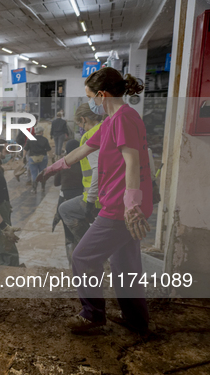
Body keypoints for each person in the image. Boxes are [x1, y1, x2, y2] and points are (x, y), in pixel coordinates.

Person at [37, 67, 152, 335]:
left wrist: (131, 205)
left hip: (121, 208)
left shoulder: (122, 119)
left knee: (83, 257)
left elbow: (132, 161)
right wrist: (52, 168)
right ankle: (136, 319)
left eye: (90, 97)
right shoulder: (113, 120)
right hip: (127, 205)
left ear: (101, 95)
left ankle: (93, 314)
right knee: (125, 262)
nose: (90, 102)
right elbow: (83, 149)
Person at [58, 104, 104, 261]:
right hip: (110, 191)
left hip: (98, 196)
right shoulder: (108, 128)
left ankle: (89, 248)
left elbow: (97, 170)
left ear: (83, 120)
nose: (80, 129)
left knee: (65, 209)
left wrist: (90, 200)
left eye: (79, 125)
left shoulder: (91, 136)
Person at [52, 139, 83, 266]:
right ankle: (83, 263)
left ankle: (72, 266)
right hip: (82, 201)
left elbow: (56, 183)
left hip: (65, 201)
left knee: (69, 236)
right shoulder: (85, 162)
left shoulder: (64, 163)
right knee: (82, 233)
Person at [23, 126, 51, 193]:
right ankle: (43, 188)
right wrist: (52, 158)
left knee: (34, 174)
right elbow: (49, 150)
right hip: (43, 158)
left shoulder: (30, 140)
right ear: (41, 132)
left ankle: (34, 189)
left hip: (33, 159)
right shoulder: (45, 139)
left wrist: (24, 157)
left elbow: (25, 149)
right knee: (43, 173)